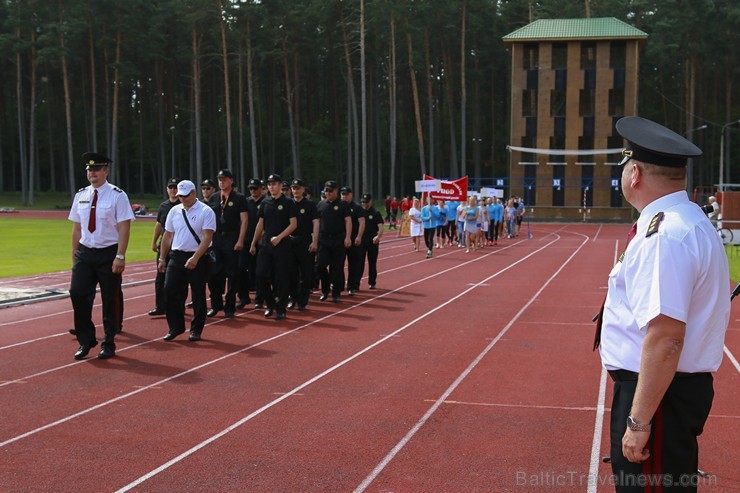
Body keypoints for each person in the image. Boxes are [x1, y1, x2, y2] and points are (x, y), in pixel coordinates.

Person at [595, 116, 730, 493]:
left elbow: (667, 336)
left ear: (634, 173)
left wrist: (638, 422)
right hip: (666, 391)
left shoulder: (665, 234)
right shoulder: (686, 221)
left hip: (658, 395)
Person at [68, 152, 134, 360]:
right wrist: (74, 255)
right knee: (77, 293)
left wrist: (120, 256)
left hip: (108, 253)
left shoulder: (117, 195)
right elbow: (77, 228)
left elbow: (124, 228)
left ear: (106, 171)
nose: (92, 173)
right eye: (89, 170)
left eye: (96, 169)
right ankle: (86, 340)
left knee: (110, 299)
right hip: (86, 254)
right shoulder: (81, 195)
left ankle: (109, 341)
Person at [158, 180, 216, 341]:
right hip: (176, 256)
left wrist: (195, 258)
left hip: (198, 256)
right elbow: (167, 235)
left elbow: (207, 237)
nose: (182, 198)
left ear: (193, 193)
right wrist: (162, 258)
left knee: (197, 294)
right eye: (180, 196)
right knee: (169, 289)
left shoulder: (206, 211)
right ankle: (175, 326)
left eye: (185, 195)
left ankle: (196, 329)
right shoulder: (174, 211)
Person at [250, 174, 297, 320]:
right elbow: (260, 223)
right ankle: (270, 304)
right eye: (269, 184)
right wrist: (253, 242)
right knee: (260, 275)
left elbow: (293, 224)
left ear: (280, 185)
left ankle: (281, 307)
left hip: (282, 245)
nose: (271, 187)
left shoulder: (288, 202)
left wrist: (280, 237)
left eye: (274, 184)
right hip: (266, 245)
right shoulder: (265, 202)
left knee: (282, 277)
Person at [207, 169, 248, 318]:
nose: (221, 182)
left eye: (224, 179)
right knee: (214, 273)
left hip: (231, 237)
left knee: (232, 274)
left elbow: (244, 220)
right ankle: (215, 304)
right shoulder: (214, 198)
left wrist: (240, 240)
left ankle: (229, 306)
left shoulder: (239, 198)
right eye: (219, 179)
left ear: (231, 180)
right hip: (216, 238)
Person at [148, 177, 180, 317]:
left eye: (175, 187)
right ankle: (160, 306)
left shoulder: (183, 205)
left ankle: (177, 305)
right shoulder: (163, 206)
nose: (173, 190)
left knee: (177, 278)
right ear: (167, 189)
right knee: (160, 276)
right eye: (171, 187)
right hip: (164, 244)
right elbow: (159, 224)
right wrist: (154, 241)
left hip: (178, 245)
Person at [316, 180, 352, 302]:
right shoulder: (320, 205)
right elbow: (317, 223)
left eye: (330, 190)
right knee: (320, 266)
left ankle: (336, 293)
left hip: (338, 239)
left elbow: (348, 221)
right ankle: (325, 289)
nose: (328, 193)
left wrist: (348, 237)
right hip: (324, 239)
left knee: (337, 268)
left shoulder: (343, 205)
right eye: (326, 190)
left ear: (336, 191)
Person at [288, 178, 319, 310]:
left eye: (298, 188)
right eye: (293, 188)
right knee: (290, 272)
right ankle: (293, 297)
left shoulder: (310, 205)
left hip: (305, 240)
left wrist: (314, 241)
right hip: (290, 240)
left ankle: (302, 300)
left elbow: (316, 223)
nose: (295, 191)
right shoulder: (288, 204)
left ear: (303, 189)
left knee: (305, 273)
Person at [238, 178, 264, 309]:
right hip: (246, 240)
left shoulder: (266, 202)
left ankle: (260, 298)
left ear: (261, 188)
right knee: (241, 268)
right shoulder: (245, 202)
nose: (253, 191)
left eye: (255, 188)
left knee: (259, 271)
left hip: (261, 242)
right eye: (251, 188)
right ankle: (243, 297)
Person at [341, 186, 366, 295]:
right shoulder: (338, 206)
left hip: (354, 238)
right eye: (343, 194)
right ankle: (339, 284)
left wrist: (359, 236)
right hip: (340, 239)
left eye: (346, 194)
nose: (344, 196)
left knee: (353, 263)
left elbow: (362, 222)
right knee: (338, 264)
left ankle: (352, 285)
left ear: (351, 195)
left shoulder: (357, 208)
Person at [360, 193, 384, 289]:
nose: (364, 204)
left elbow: (381, 227)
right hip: (362, 239)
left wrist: (378, 236)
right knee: (359, 262)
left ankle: (372, 281)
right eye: (362, 202)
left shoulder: (375, 213)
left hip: (372, 240)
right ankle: (356, 282)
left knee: (372, 262)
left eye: (366, 202)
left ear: (370, 201)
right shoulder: (360, 212)